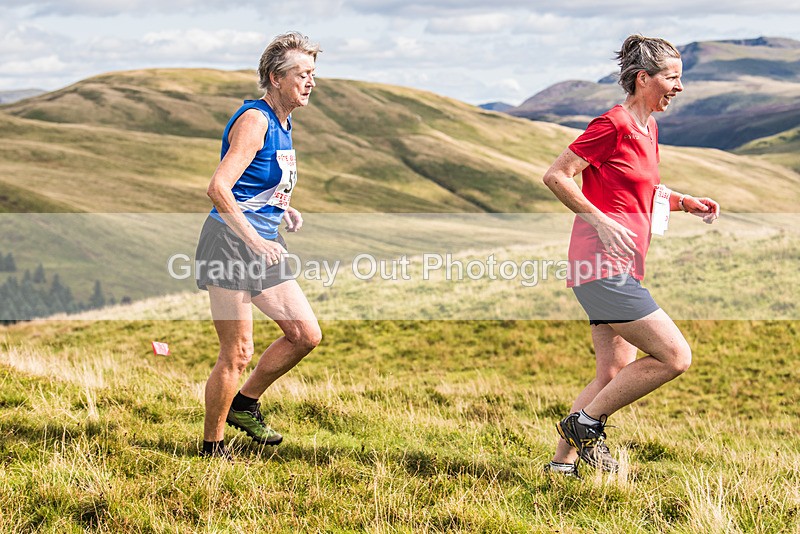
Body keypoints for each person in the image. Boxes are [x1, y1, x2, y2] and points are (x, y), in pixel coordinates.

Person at [541, 34, 720, 477]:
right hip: (600, 266)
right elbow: (557, 175)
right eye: (672, 78)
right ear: (644, 79)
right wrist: (599, 220)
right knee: (675, 357)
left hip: (623, 266)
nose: (679, 87)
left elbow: (643, 190)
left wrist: (683, 201)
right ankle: (586, 425)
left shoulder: (649, 128)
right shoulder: (613, 124)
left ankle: (560, 466)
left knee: (613, 371)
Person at [194, 31, 323, 458]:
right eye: (301, 74)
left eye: (312, 74)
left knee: (304, 334)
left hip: (261, 238)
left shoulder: (284, 124)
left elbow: (257, 184)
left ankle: (244, 404)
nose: (310, 82)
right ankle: (212, 448)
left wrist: (281, 208)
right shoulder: (257, 120)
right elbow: (218, 187)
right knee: (237, 351)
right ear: (274, 77)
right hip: (229, 244)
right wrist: (254, 237)